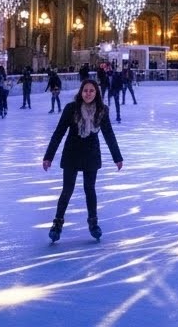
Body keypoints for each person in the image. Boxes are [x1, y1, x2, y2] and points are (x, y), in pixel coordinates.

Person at [42, 79, 123, 242]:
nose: (88, 94)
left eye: (91, 91)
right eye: (85, 90)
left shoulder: (102, 110)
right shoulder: (71, 109)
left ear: (96, 93)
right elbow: (58, 133)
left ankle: (93, 224)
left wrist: (117, 157)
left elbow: (109, 134)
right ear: (81, 92)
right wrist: (48, 156)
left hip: (91, 154)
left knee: (90, 190)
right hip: (72, 152)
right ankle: (57, 225)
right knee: (67, 190)